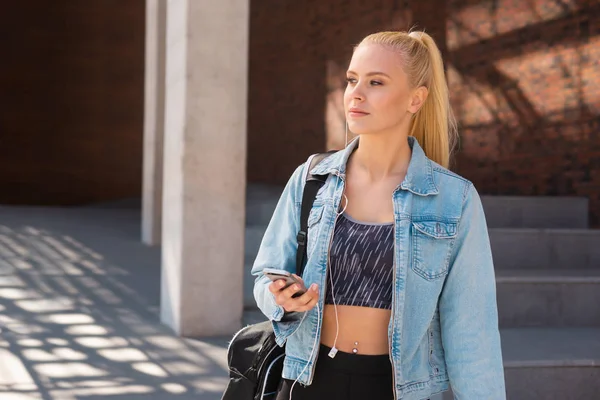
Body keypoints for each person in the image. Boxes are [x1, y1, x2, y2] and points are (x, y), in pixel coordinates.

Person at [251, 29, 506, 400]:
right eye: (352, 80)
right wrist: (281, 299)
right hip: (309, 379)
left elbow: (472, 330)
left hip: (398, 389)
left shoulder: (454, 199)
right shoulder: (311, 179)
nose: (356, 92)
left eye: (376, 82)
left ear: (415, 99)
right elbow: (265, 274)